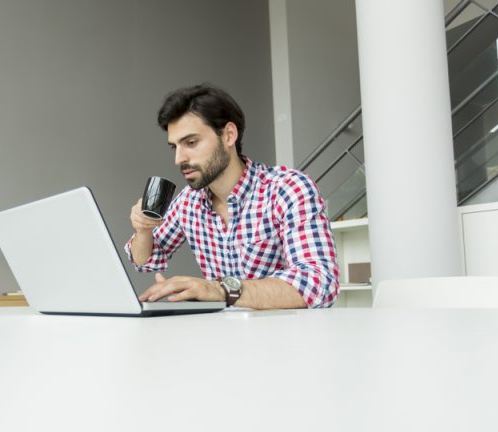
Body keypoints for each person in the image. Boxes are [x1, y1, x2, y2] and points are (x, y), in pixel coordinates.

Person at [125, 83, 339, 309]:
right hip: (224, 336)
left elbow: (320, 283)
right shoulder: (188, 202)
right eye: (174, 147)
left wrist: (221, 289)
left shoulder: (287, 188)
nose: (179, 159)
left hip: (286, 336)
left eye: (191, 142)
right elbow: (145, 260)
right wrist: (143, 231)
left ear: (228, 135)